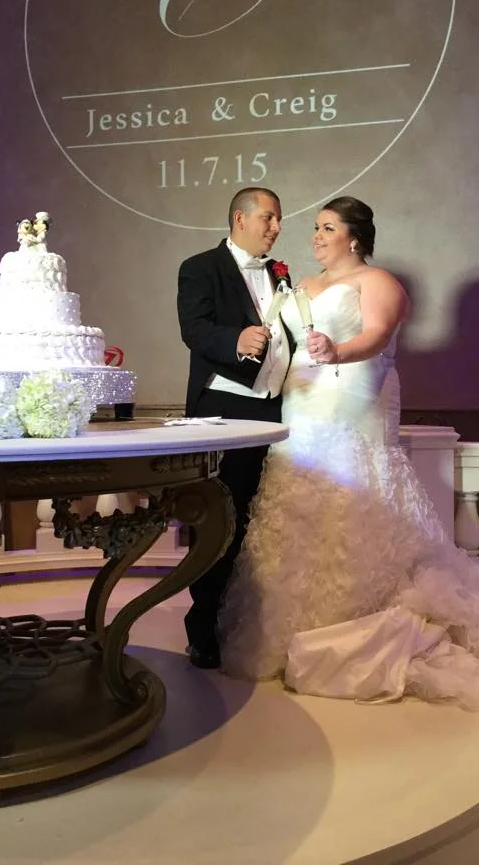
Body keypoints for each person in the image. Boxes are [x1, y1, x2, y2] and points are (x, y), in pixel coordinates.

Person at [218, 196, 479, 720]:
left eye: (327, 228)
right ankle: (289, 633)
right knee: (298, 499)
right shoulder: (301, 287)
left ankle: (360, 625)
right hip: (302, 402)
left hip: (351, 397)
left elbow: (377, 335)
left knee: (356, 493)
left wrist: (337, 352)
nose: (315, 236)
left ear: (355, 237)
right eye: (315, 228)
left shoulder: (379, 282)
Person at [177, 187, 294, 669]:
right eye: (268, 217)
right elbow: (194, 328)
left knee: (262, 522)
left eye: (279, 219)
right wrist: (235, 339)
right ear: (240, 218)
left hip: (278, 412)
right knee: (222, 519)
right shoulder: (199, 267)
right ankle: (203, 627)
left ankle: (256, 625)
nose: (276, 227)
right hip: (224, 411)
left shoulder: (281, 273)